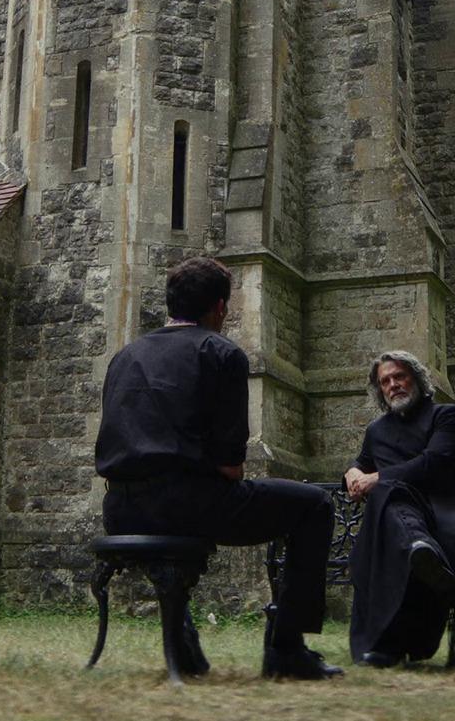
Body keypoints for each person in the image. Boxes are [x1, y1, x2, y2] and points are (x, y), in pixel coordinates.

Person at [94, 256, 342, 680]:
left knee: (188, 505)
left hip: (120, 510)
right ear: (220, 307)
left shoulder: (125, 355)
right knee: (315, 505)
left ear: (172, 302)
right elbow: (231, 466)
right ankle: (286, 649)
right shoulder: (220, 353)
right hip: (189, 505)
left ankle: (184, 642)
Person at [343, 350, 455, 667]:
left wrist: (377, 478)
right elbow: (361, 463)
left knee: (385, 493)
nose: (393, 385)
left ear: (416, 379)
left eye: (399, 376)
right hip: (392, 521)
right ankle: (418, 548)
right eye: (385, 381)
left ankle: (385, 645)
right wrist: (351, 473)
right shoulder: (376, 430)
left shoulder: (447, 416)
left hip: (438, 513)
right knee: (387, 502)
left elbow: (435, 463)